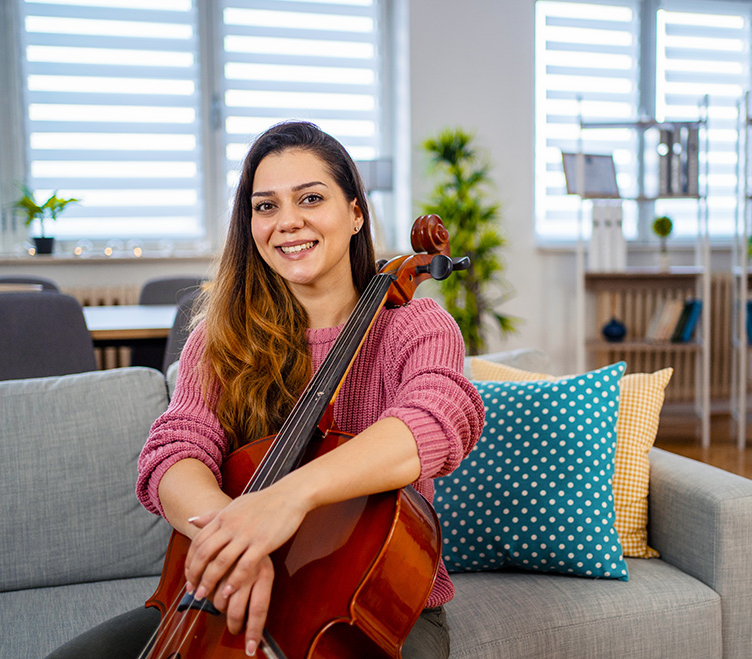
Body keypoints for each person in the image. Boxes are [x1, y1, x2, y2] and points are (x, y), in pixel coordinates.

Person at [46, 120, 485, 659]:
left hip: (372, 601)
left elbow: (433, 423)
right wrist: (233, 538)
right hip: (218, 592)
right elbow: (173, 452)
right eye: (266, 206)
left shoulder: (417, 328)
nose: (288, 222)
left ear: (355, 213)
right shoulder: (220, 337)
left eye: (311, 198)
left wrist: (283, 501)